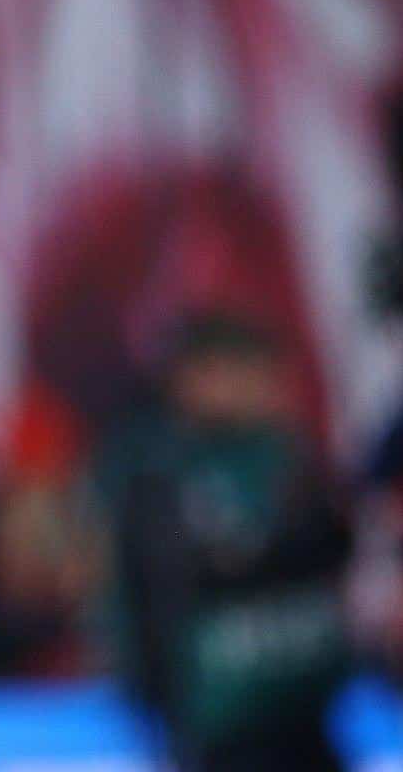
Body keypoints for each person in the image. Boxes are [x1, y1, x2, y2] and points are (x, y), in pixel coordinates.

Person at [99, 311, 353, 772]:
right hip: (217, 713)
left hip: (304, 702)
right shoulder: (156, 471)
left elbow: (334, 551)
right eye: (228, 370)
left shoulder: (291, 456)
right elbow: (148, 588)